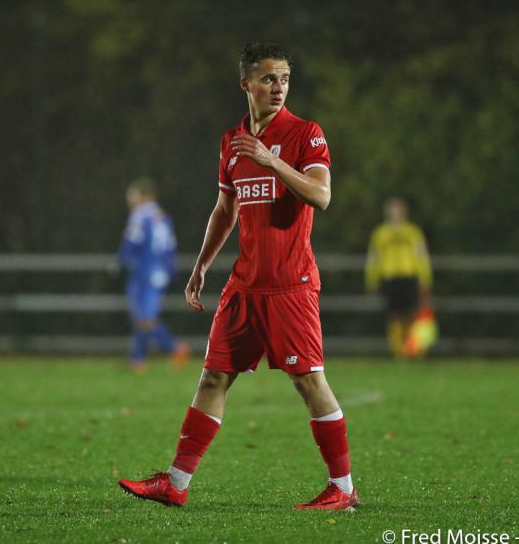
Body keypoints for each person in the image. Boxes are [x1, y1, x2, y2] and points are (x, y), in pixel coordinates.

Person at [118, 43, 358, 510]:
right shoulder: (231, 141)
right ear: (245, 83)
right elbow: (226, 208)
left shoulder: (305, 134)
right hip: (245, 286)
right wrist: (202, 265)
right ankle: (177, 483)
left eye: (285, 78)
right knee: (213, 378)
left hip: (291, 285)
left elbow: (322, 196)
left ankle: (343, 490)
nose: (278, 87)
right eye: (268, 79)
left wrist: (273, 162)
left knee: (309, 382)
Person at [118, 178, 189, 372]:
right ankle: (137, 360)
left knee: (144, 318)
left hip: (144, 272)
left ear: (144, 196)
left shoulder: (140, 214)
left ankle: (174, 349)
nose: (130, 198)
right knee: (144, 317)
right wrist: (170, 271)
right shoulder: (163, 216)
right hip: (160, 272)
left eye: (133, 194)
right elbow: (170, 248)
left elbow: (132, 242)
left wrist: (120, 261)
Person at [365, 197, 433, 359]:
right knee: (393, 315)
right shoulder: (380, 234)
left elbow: (421, 256)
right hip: (389, 278)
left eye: (397, 209)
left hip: (409, 277)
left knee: (411, 315)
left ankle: (412, 350)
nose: (394, 213)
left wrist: (425, 279)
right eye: (391, 210)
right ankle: (398, 351)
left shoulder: (412, 232)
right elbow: (374, 257)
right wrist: (371, 279)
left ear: (403, 211)